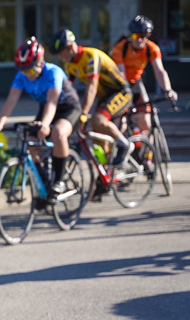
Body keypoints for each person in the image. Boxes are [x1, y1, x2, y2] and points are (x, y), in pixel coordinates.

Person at [0, 37, 82, 196]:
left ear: (41, 62)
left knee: (58, 133)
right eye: (23, 70)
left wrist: (45, 124)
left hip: (68, 108)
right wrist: (0, 123)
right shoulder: (21, 76)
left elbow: (52, 101)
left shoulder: (53, 72)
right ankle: (44, 185)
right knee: (30, 142)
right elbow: (11, 100)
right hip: (46, 108)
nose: (28, 75)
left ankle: (59, 181)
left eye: (31, 70)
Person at [51, 29, 134, 198]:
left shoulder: (91, 56)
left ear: (71, 47)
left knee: (97, 119)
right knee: (97, 140)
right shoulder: (70, 65)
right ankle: (105, 178)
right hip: (105, 97)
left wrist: (83, 114)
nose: (60, 58)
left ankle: (125, 145)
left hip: (121, 92)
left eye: (61, 53)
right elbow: (69, 92)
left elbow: (91, 88)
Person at [110, 15, 178, 139]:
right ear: (130, 35)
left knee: (146, 122)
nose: (140, 40)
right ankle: (120, 150)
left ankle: (147, 156)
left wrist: (168, 90)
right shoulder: (119, 48)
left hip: (136, 82)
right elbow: (121, 74)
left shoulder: (152, 48)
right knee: (120, 124)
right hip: (120, 84)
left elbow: (159, 71)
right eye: (136, 36)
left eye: (144, 36)